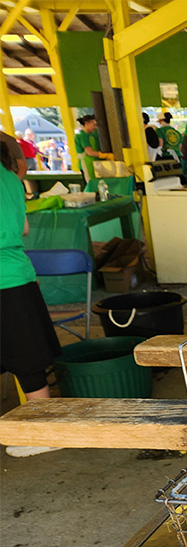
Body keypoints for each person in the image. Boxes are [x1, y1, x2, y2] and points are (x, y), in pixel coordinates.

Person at [0, 143, 63, 456]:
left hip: (3, 278)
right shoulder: (11, 178)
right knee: (27, 360)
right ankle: (41, 429)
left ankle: (43, 434)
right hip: (17, 273)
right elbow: (22, 227)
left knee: (23, 358)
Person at [74, 115, 112, 183]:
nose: (95, 127)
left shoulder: (90, 134)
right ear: (87, 124)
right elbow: (90, 152)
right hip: (86, 164)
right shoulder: (82, 135)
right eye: (94, 125)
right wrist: (106, 155)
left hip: (93, 164)